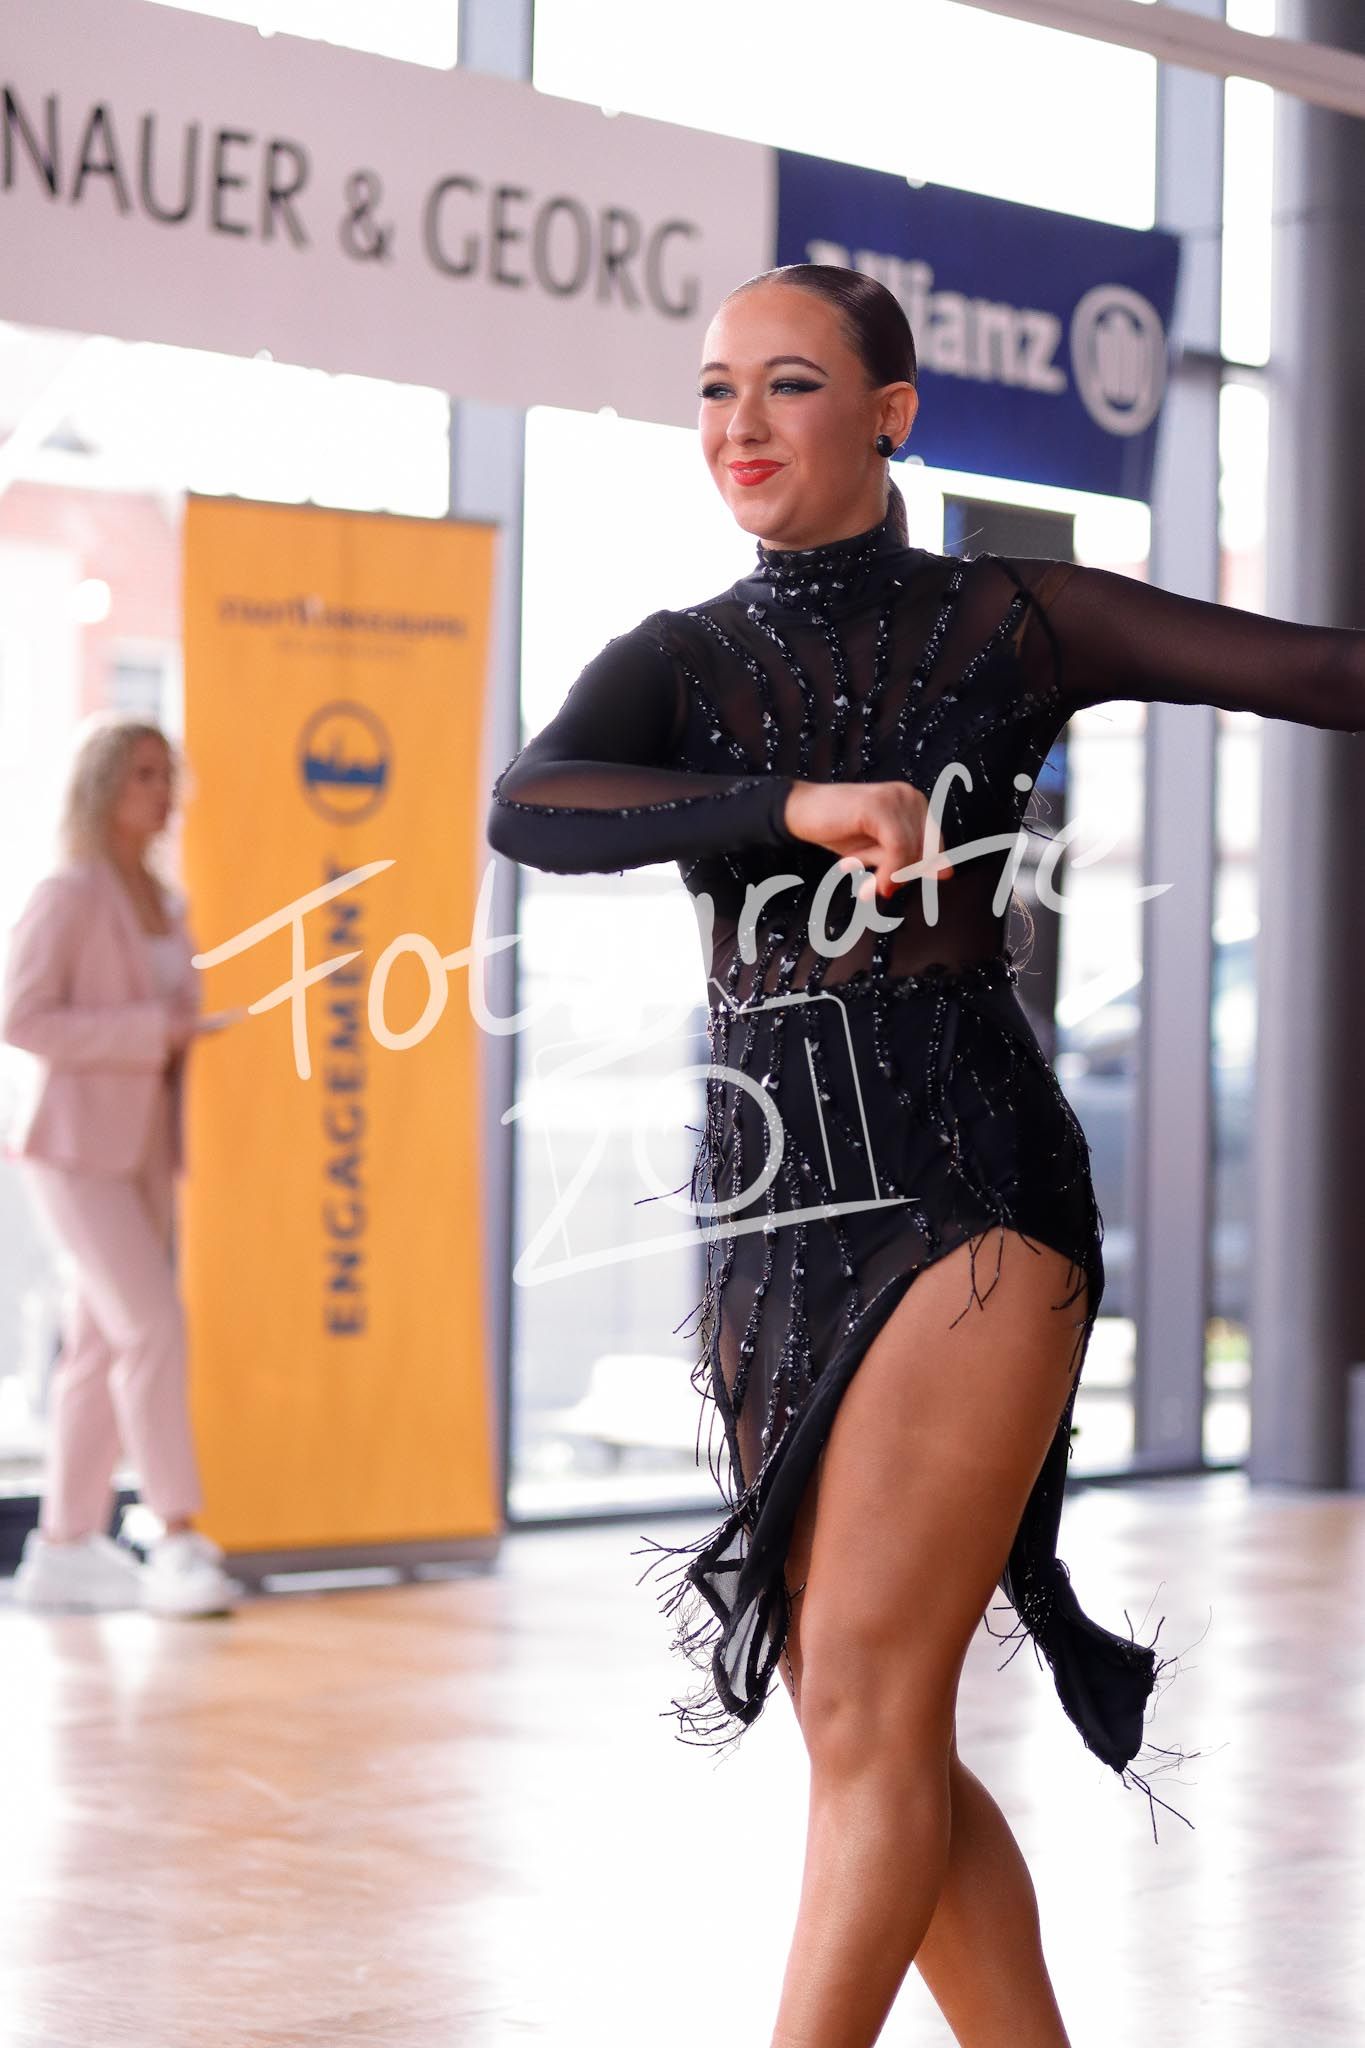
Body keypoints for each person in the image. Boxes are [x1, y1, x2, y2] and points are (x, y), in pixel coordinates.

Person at [486, 262, 1365, 2048]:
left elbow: (1327, 670)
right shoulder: (678, 656)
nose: (738, 424)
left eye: (787, 384)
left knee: (869, 1710)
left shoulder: (1008, 621)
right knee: (866, 1719)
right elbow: (532, 805)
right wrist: (789, 804)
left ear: (890, 411)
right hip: (769, 1201)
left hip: (971, 1178)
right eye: (715, 387)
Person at [3, 713, 243, 1620]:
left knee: (101, 1343)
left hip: (145, 1146)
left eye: (166, 773)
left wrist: (183, 1031)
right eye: (144, 773)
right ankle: (176, 1535)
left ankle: (64, 1550)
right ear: (104, 784)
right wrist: (153, 1031)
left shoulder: (163, 901)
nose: (161, 790)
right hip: (72, 1150)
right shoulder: (67, 894)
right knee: (152, 1328)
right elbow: (21, 1019)